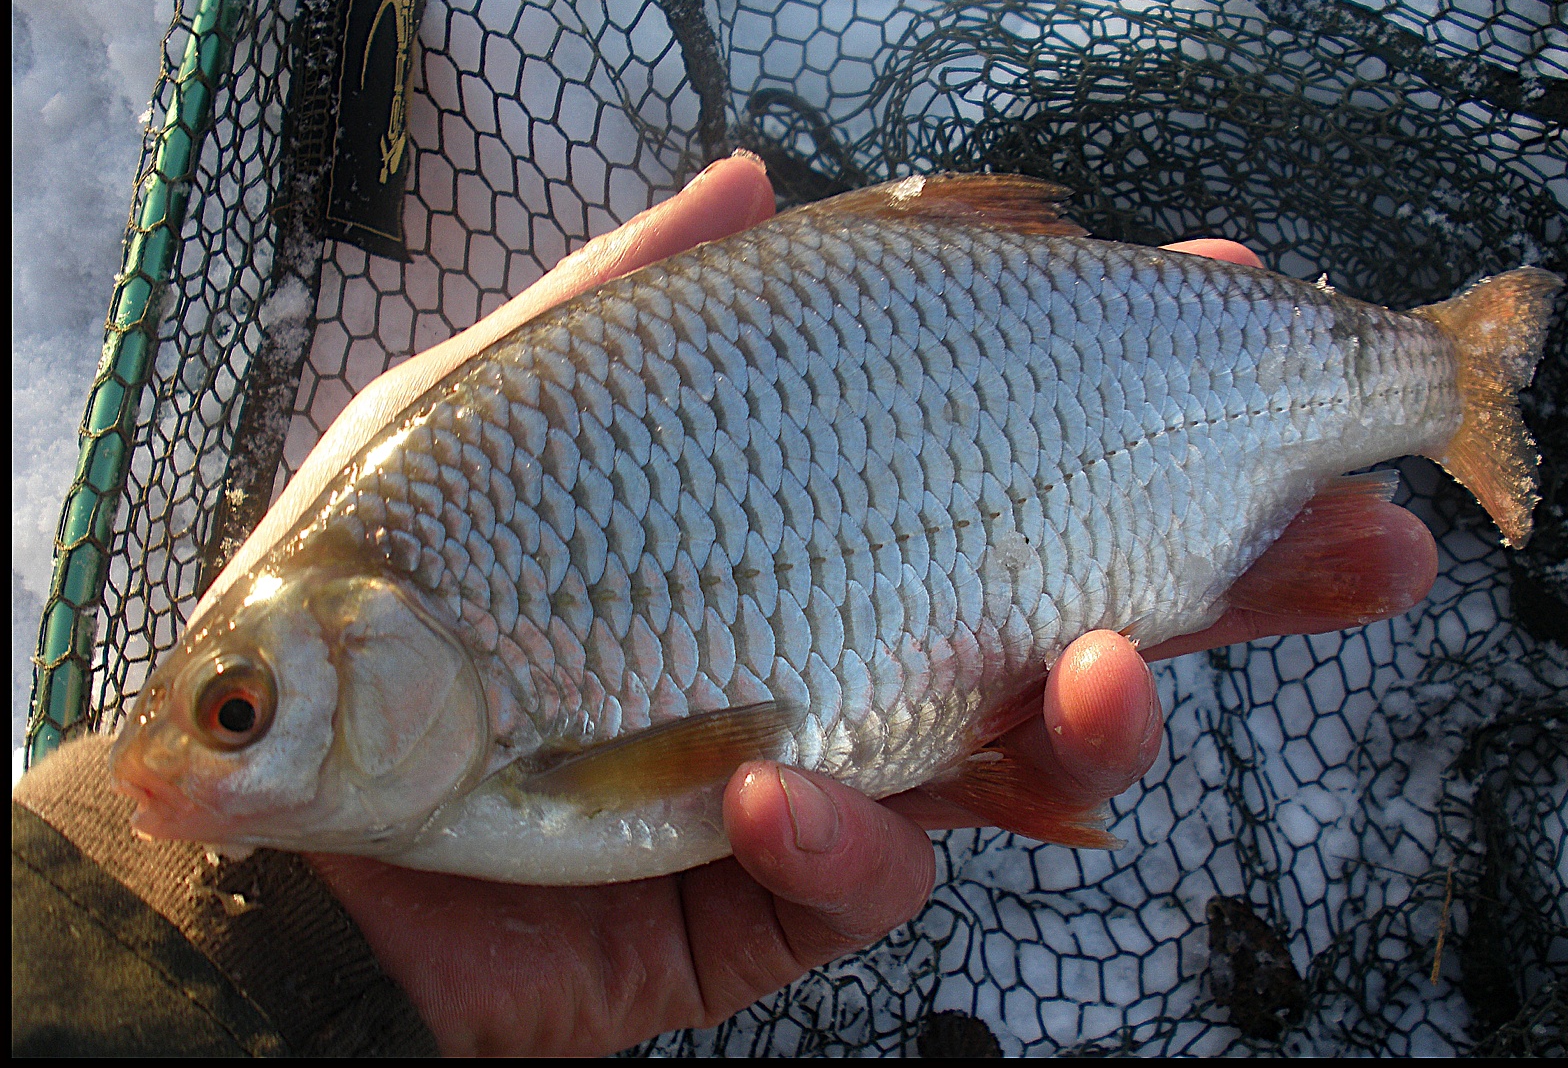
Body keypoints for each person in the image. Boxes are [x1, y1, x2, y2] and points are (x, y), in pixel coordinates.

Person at [12, 154, 1437, 1056]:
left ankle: (1442, 373)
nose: (193, 759)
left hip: (1022, 359)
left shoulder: (483, 721)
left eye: (236, 713)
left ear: (374, 632)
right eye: (236, 713)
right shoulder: (430, 674)